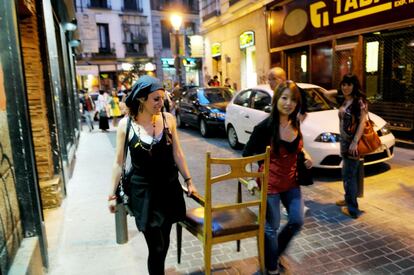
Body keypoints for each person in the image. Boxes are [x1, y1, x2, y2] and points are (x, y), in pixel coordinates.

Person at [108, 75, 197, 275]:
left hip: (169, 189)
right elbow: (118, 162)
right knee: (155, 246)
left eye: (162, 98)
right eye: (155, 99)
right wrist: (112, 195)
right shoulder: (126, 125)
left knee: (164, 244)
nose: (161, 103)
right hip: (144, 194)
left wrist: (189, 180)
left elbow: (178, 153)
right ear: (141, 99)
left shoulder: (168, 120)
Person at [243, 81, 312, 275]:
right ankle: (271, 268)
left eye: (293, 100)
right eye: (284, 98)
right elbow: (247, 154)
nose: (288, 103)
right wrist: (250, 178)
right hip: (270, 184)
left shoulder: (295, 121)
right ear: (276, 99)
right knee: (271, 228)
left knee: (297, 221)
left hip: (291, 182)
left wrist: (305, 155)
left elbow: (297, 146)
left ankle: (273, 253)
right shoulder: (264, 127)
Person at [336, 74, 367, 219]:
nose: (345, 87)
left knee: (350, 175)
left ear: (354, 85)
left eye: (349, 84)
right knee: (346, 173)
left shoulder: (359, 102)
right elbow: (327, 93)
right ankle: (348, 198)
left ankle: (353, 209)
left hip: (352, 144)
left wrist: (355, 141)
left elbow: (362, 123)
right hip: (344, 142)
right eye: (343, 84)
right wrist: (340, 91)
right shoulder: (344, 100)